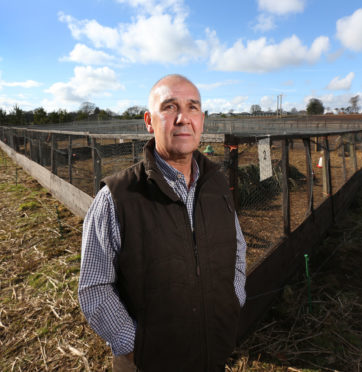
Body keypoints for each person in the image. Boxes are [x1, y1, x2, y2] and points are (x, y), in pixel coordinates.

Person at [79, 74, 247, 372]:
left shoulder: (216, 184)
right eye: (170, 107)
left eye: (193, 107)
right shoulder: (117, 198)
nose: (184, 118)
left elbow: (237, 252)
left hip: (213, 353)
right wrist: (136, 344)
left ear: (202, 119)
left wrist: (231, 306)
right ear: (149, 120)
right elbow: (94, 287)